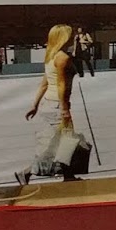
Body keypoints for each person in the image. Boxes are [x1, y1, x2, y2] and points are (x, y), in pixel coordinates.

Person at [16, 24, 76, 185]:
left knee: (62, 141)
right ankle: (28, 172)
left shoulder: (51, 55)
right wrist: (64, 109)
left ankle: (68, 175)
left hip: (49, 103)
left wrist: (35, 105)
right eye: (71, 35)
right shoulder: (62, 58)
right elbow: (61, 84)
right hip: (58, 104)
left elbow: (45, 83)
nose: (74, 38)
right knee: (63, 141)